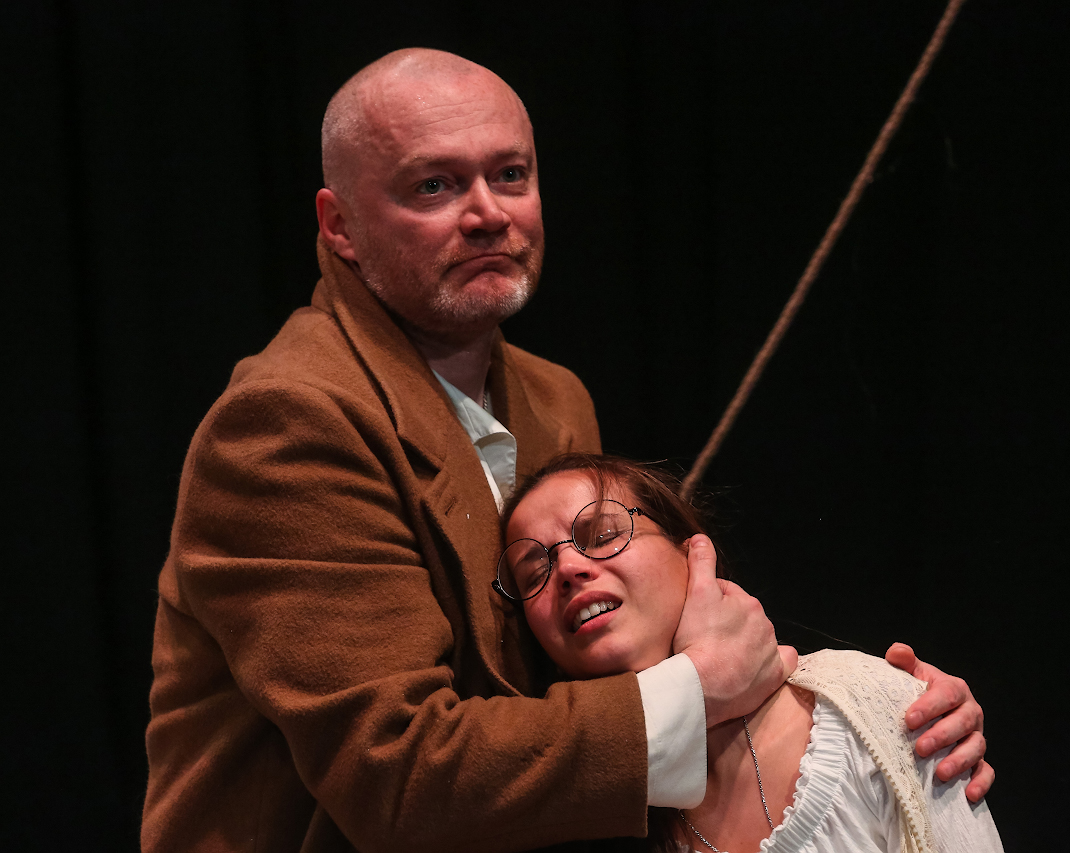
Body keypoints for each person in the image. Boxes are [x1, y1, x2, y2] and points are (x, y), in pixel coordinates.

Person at [142, 48, 991, 852]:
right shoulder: (290, 421)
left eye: (510, 175)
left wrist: (885, 711)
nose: (488, 212)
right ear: (341, 226)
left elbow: (617, 667)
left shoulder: (553, 397)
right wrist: (701, 689)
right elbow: (397, 773)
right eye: (435, 185)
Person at [499, 453, 1004, 852]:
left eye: (604, 534)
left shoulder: (869, 710)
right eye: (535, 572)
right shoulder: (583, 823)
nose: (568, 568)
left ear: (690, 550)